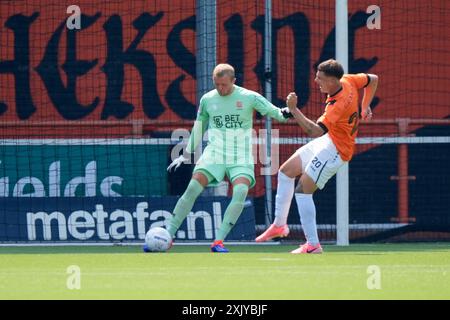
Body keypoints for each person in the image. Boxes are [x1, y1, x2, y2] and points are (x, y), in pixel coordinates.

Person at [165, 63, 292, 253]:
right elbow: (199, 126)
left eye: (224, 84)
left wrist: (290, 109)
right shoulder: (207, 99)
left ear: (233, 81)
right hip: (215, 152)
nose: (220, 89)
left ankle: (218, 241)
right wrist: (186, 153)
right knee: (192, 187)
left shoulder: (249, 97)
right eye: (217, 85)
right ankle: (168, 234)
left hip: (240, 154)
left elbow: (278, 114)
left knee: (240, 190)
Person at [256, 59, 378, 254]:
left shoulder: (337, 106)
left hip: (337, 149)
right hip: (331, 140)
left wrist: (294, 109)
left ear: (331, 81)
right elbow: (373, 79)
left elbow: (314, 131)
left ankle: (313, 245)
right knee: (286, 172)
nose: (315, 80)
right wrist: (365, 106)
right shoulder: (348, 80)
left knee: (303, 190)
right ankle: (279, 225)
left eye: (320, 78)